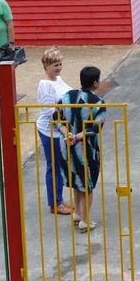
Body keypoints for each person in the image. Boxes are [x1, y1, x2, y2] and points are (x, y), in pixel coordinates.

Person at [58, 66, 107, 233]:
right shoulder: (98, 102)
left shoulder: (66, 97)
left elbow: (57, 119)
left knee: (76, 180)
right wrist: (77, 137)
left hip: (67, 146)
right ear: (95, 82)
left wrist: (68, 134)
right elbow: (95, 127)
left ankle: (77, 213)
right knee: (88, 184)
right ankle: (86, 220)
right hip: (86, 149)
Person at [34, 48, 73, 216]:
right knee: (54, 166)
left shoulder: (58, 79)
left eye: (60, 64)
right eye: (55, 65)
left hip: (60, 127)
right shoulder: (45, 85)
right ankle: (54, 203)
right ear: (46, 66)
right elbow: (51, 114)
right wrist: (65, 131)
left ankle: (59, 198)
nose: (58, 68)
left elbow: (70, 92)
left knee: (60, 165)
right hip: (50, 130)